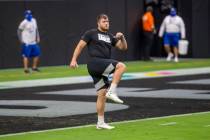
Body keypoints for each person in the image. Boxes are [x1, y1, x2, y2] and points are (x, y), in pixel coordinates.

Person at [69, 14, 127, 130]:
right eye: (104, 21)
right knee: (121, 66)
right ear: (98, 23)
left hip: (100, 68)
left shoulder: (110, 36)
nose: (106, 23)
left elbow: (123, 48)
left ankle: (100, 123)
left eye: (108, 21)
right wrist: (73, 59)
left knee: (101, 94)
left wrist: (122, 37)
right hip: (95, 63)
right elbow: (80, 46)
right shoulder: (91, 33)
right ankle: (112, 91)